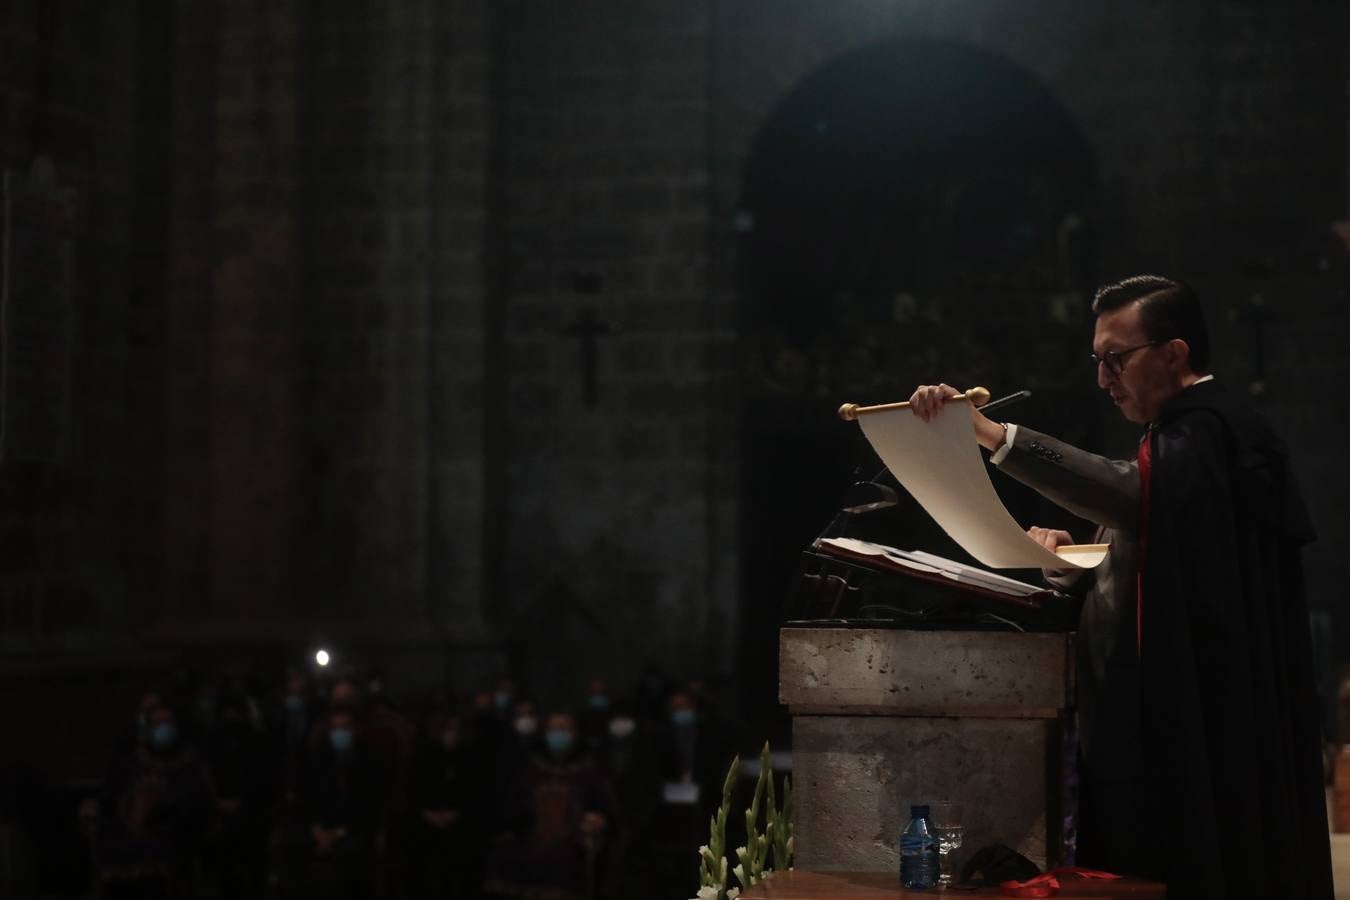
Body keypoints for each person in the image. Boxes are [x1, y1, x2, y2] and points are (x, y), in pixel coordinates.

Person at [909, 275, 1331, 898]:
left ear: (1175, 353)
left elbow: (1135, 500)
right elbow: (1148, 556)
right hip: (1151, 711)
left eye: (1116, 359)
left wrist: (994, 436)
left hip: (1200, 719)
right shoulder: (1173, 440)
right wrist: (1059, 560)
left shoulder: (1216, 429)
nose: (1104, 379)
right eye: (1097, 361)